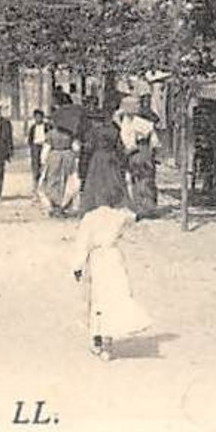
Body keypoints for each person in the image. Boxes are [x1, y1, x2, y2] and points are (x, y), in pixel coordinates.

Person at [71, 191, 151, 361]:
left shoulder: (89, 218)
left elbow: (82, 244)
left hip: (98, 259)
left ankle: (97, 340)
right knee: (114, 297)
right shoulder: (118, 216)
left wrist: (77, 266)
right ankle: (108, 340)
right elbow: (136, 216)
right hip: (115, 259)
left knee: (97, 301)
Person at [116, 97, 161, 218]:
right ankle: (146, 206)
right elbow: (154, 140)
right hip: (143, 150)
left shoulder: (132, 122)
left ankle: (144, 207)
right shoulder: (138, 122)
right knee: (144, 179)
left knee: (140, 178)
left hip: (138, 150)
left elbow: (129, 141)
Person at [79, 111, 129, 214]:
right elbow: (120, 147)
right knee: (113, 180)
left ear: (97, 121)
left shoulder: (94, 132)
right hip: (111, 156)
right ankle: (113, 202)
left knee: (97, 181)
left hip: (98, 157)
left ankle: (99, 203)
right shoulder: (114, 131)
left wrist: (84, 147)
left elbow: (89, 147)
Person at [38, 117, 77, 217]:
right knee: (67, 181)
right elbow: (76, 147)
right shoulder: (71, 133)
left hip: (54, 158)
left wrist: (43, 161)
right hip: (68, 157)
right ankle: (65, 206)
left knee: (53, 181)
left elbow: (46, 149)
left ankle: (55, 205)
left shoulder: (51, 134)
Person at [26, 109, 50, 192]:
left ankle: (44, 186)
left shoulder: (46, 126)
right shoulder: (33, 127)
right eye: (36, 117)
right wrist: (32, 147)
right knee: (35, 167)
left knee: (45, 166)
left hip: (44, 146)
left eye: (40, 117)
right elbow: (30, 139)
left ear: (42, 117)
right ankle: (35, 186)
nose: (38, 119)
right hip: (35, 147)